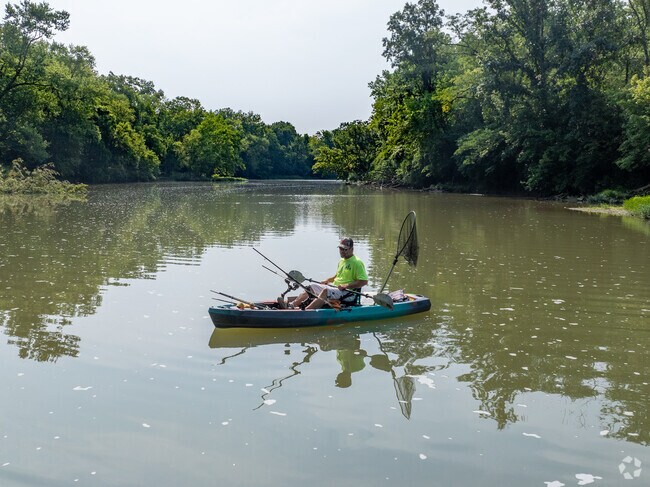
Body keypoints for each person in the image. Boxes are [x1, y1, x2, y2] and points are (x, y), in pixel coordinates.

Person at [291, 237, 368, 310]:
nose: (342, 251)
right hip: (335, 288)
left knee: (326, 291)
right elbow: (338, 276)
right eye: (340, 248)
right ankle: (291, 305)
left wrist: (347, 285)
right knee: (311, 287)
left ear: (352, 249)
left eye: (345, 249)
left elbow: (364, 281)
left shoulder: (357, 263)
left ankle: (307, 311)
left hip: (348, 293)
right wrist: (327, 280)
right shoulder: (342, 261)